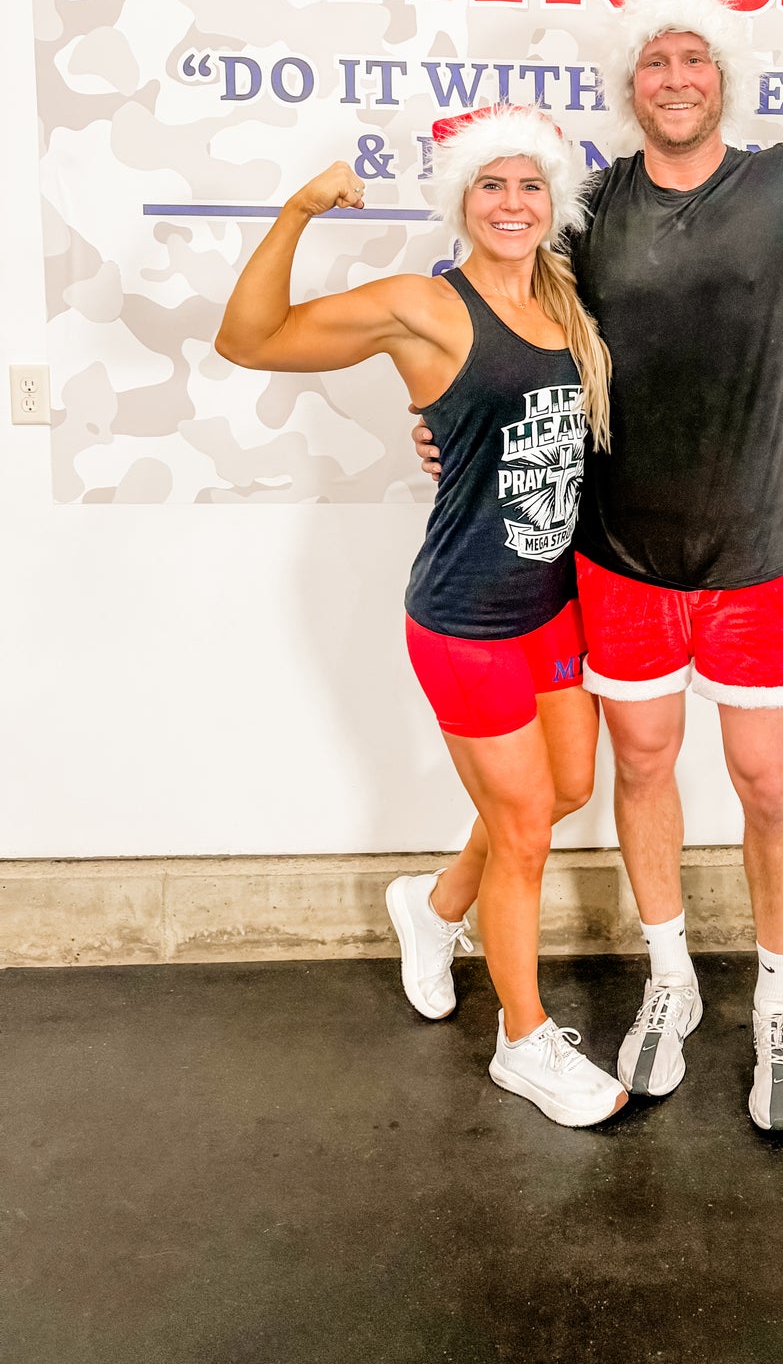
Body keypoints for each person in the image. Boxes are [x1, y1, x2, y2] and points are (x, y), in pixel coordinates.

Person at [415, 0, 783, 1132]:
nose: (674, 77)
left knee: (768, 780)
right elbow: (491, 311)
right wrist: (442, 417)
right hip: (619, 554)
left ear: (720, 76)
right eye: (654, 61)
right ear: (630, 87)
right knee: (640, 767)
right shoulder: (588, 209)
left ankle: (777, 1002)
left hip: (757, 552)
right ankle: (670, 978)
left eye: (693, 58)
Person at [216, 104, 627, 1128]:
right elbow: (247, 338)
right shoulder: (426, 305)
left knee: (565, 788)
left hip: (552, 606)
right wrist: (299, 209)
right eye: (490, 184)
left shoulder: (565, 299)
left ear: (552, 200)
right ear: (459, 198)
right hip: (465, 616)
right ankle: (523, 1040)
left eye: (529, 184)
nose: (511, 202)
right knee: (522, 825)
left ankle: (434, 904)